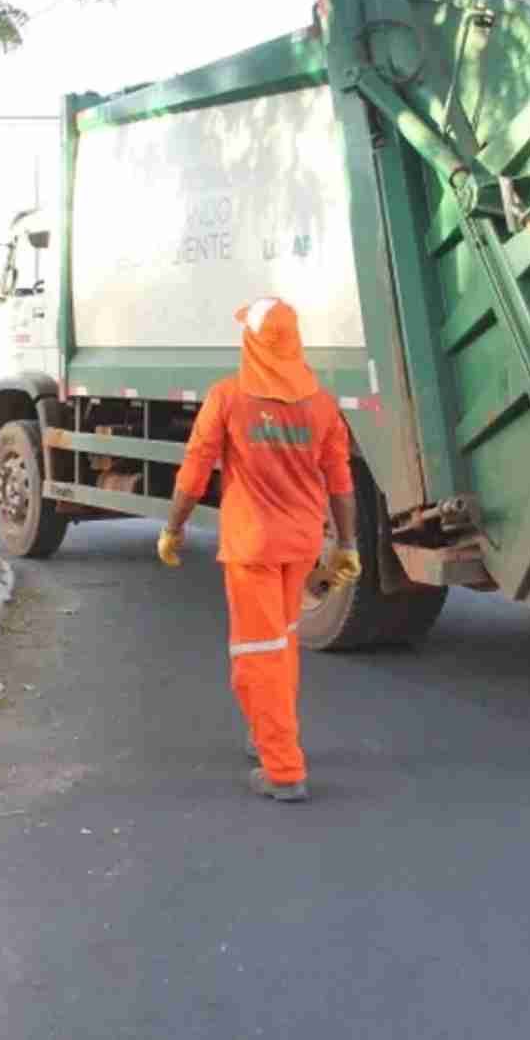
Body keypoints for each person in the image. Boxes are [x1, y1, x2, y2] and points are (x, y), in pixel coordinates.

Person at [158, 297, 359, 803]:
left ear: (251, 342)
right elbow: (340, 481)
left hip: (253, 547)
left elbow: (195, 470)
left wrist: (173, 528)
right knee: (281, 644)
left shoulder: (228, 398)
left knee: (258, 655)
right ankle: (267, 731)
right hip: (301, 544)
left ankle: (284, 769)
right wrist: (347, 546)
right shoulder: (321, 403)